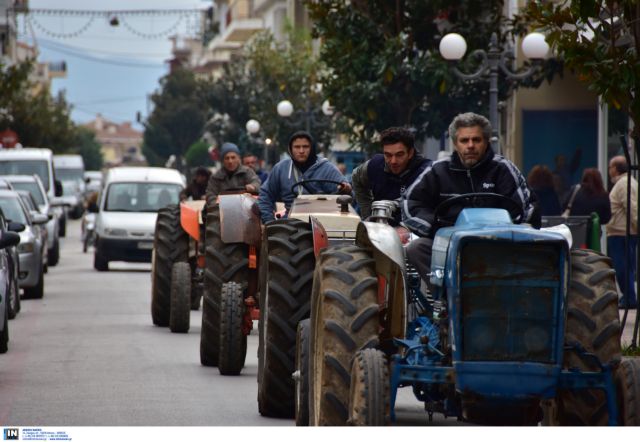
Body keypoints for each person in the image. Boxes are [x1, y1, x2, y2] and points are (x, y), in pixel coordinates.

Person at [402, 112, 539, 284]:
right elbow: (410, 202)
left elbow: (526, 208)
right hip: (448, 245)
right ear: (455, 144)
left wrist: (508, 230)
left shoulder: (503, 169)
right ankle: (445, 295)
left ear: (486, 141)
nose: (471, 145)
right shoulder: (438, 170)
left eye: (477, 140)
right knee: (416, 248)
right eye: (464, 140)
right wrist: (434, 228)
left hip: (499, 246)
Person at [258, 130, 352, 223]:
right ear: (290, 149)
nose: (301, 151)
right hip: (290, 222)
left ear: (312, 148)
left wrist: (345, 190)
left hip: (323, 220)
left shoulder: (327, 168)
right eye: (297, 147)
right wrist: (269, 221)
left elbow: (348, 194)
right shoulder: (281, 168)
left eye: (305, 147)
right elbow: (265, 195)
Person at [351, 126, 431, 223]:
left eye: (399, 155)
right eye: (388, 155)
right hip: (380, 230)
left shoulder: (427, 172)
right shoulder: (375, 165)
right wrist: (367, 213)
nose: (393, 161)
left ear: (410, 153)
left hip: (415, 232)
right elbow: (356, 177)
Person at [606, 155, 638, 309]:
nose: (609, 170)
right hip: (621, 233)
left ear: (615, 168)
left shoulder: (624, 184)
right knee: (624, 267)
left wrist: (635, 227)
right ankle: (628, 297)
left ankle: (630, 298)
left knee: (623, 267)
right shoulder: (624, 183)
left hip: (622, 234)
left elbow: (632, 208)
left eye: (610, 167)